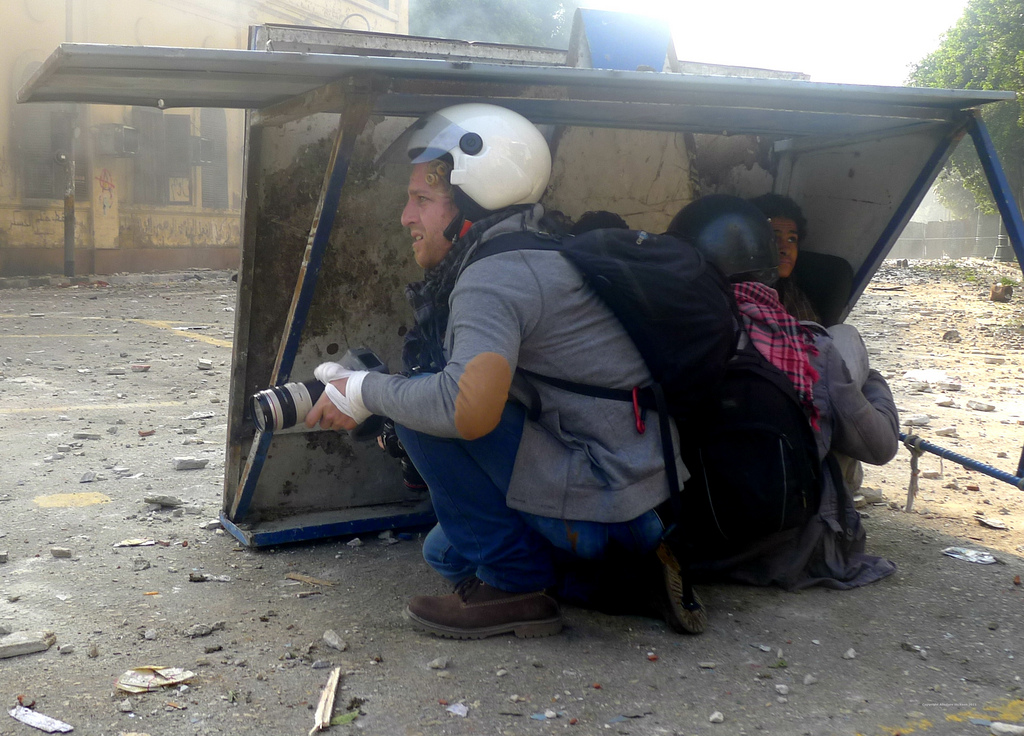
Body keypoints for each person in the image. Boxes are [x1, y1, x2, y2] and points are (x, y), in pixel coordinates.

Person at [304, 103, 688, 639]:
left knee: (422, 410)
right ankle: (627, 571)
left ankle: (517, 585)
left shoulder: (495, 276)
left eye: (422, 199)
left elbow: (465, 410)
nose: (406, 217)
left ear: (472, 200)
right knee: (445, 551)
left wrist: (366, 390)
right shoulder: (532, 249)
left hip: (602, 485)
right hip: (637, 482)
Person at [667, 195, 900, 590]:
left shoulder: (664, 336)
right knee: (844, 347)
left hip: (689, 543)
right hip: (789, 551)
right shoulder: (810, 347)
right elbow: (881, 448)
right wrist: (872, 381)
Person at [748, 193, 820, 322]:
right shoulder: (737, 289)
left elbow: (812, 334)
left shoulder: (788, 289)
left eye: (792, 239)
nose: (786, 249)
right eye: (775, 238)